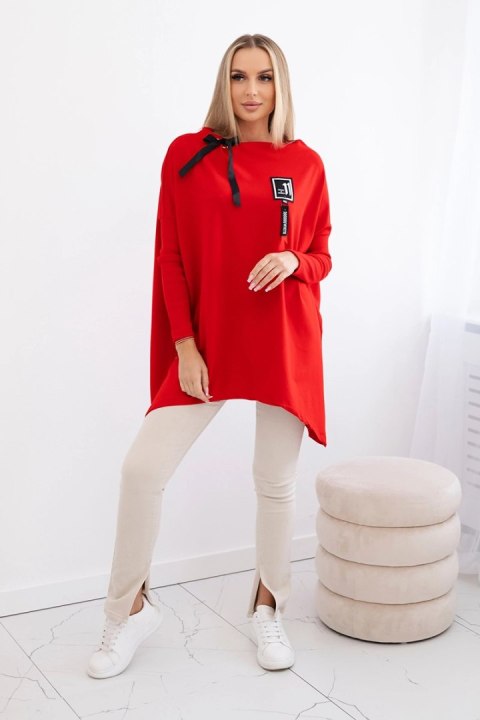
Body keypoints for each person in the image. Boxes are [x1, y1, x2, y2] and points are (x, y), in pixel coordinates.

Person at [87, 32, 332, 679]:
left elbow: (322, 253)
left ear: (281, 86)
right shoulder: (186, 155)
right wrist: (185, 345)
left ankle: (268, 606)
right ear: (224, 84)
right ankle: (128, 611)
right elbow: (169, 253)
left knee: (274, 483)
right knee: (142, 470)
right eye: (239, 77)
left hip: (284, 338)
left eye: (264, 77)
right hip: (209, 342)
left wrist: (295, 261)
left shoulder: (306, 164)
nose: (251, 90)